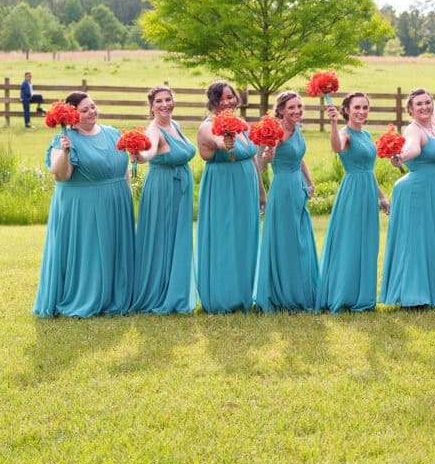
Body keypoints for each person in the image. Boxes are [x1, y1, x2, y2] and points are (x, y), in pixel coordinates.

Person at [34, 91, 136, 317]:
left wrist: (127, 195)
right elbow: (61, 175)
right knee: (91, 253)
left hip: (117, 203)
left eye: (93, 106)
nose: (92, 112)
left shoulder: (112, 133)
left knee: (113, 250)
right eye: (84, 109)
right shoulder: (64, 140)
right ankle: (88, 297)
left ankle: (115, 295)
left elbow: (123, 168)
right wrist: (66, 152)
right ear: (72, 115)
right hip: (84, 207)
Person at [381, 60, 435, 308]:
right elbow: (412, 148)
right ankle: (414, 295)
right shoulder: (413, 130)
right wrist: (400, 157)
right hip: (417, 191)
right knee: (417, 240)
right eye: (419, 104)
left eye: (427, 102)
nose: (425, 106)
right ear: (410, 110)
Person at [195, 81, 263, 314]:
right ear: (212, 101)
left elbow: (253, 158)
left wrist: (262, 192)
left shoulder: (242, 124)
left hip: (247, 186)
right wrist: (223, 141)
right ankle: (223, 297)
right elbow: (214, 141)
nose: (227, 102)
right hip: (222, 187)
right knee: (225, 237)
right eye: (222, 98)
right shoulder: (207, 126)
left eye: (231, 97)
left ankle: (243, 294)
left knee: (245, 238)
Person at [316, 92, 388, 313]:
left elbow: (369, 168)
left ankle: (362, 296)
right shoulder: (345, 134)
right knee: (350, 242)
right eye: (357, 107)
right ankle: (343, 295)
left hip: (368, 190)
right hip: (352, 192)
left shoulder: (366, 134)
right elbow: (337, 147)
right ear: (346, 109)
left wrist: (382, 196)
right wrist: (334, 123)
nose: (362, 112)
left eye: (365, 108)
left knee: (366, 243)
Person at [131, 85, 197, 314]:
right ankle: (161, 292)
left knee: (176, 237)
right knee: (163, 236)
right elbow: (147, 153)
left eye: (168, 99)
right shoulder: (155, 130)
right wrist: (138, 155)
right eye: (158, 101)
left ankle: (174, 287)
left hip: (181, 186)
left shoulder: (174, 125)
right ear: (151, 107)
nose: (164, 104)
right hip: (164, 188)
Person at [253, 91, 320, 312]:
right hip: (282, 190)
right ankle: (283, 293)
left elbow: (300, 159)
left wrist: (309, 183)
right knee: (286, 239)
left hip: (298, 187)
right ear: (281, 110)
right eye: (291, 107)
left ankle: (301, 288)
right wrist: (267, 156)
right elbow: (264, 158)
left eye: (299, 107)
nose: (297, 111)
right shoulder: (277, 132)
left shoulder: (297, 128)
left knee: (300, 240)